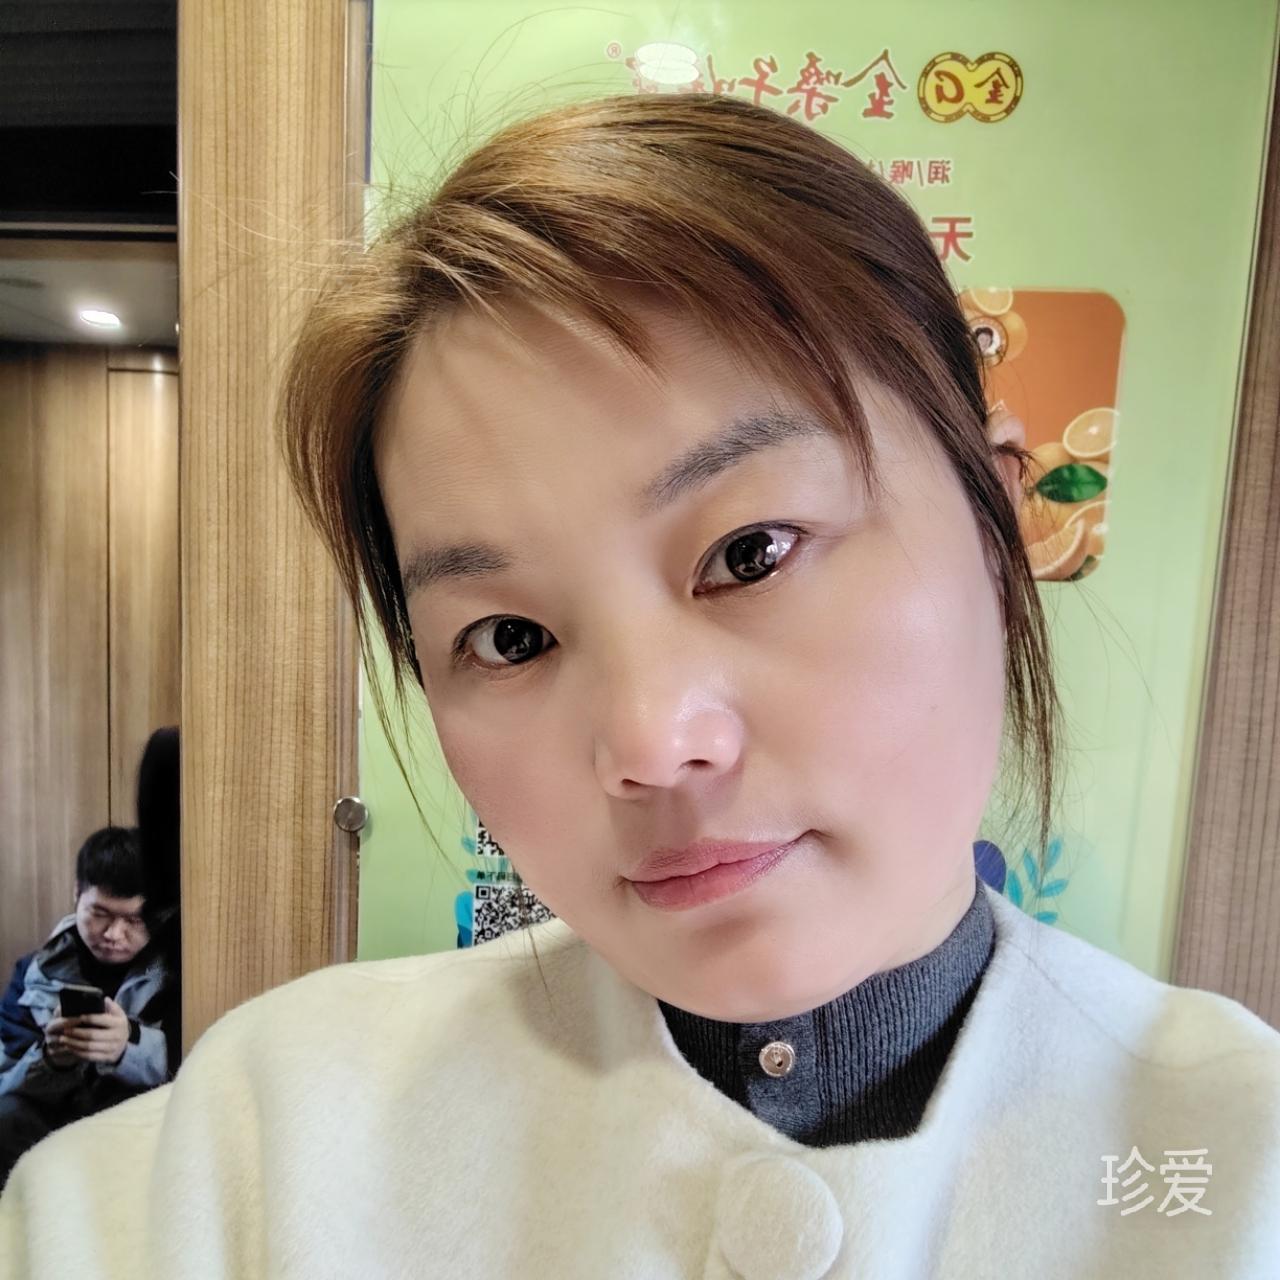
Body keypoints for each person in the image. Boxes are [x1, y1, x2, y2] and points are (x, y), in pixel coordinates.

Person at [3, 92, 1277, 1277]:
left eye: (750, 552)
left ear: (996, 532)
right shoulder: (252, 1150)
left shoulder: (1238, 1162)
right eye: (509, 636)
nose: (649, 741)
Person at [0, 826, 179, 1192]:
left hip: (136, 1132)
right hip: (50, 1128)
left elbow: (199, 1070)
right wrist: (51, 1061)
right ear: (76, 894)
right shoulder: (34, 973)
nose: (113, 934)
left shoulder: (180, 974)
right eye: (99, 913)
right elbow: (4, 1081)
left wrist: (130, 1046)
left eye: (134, 919)